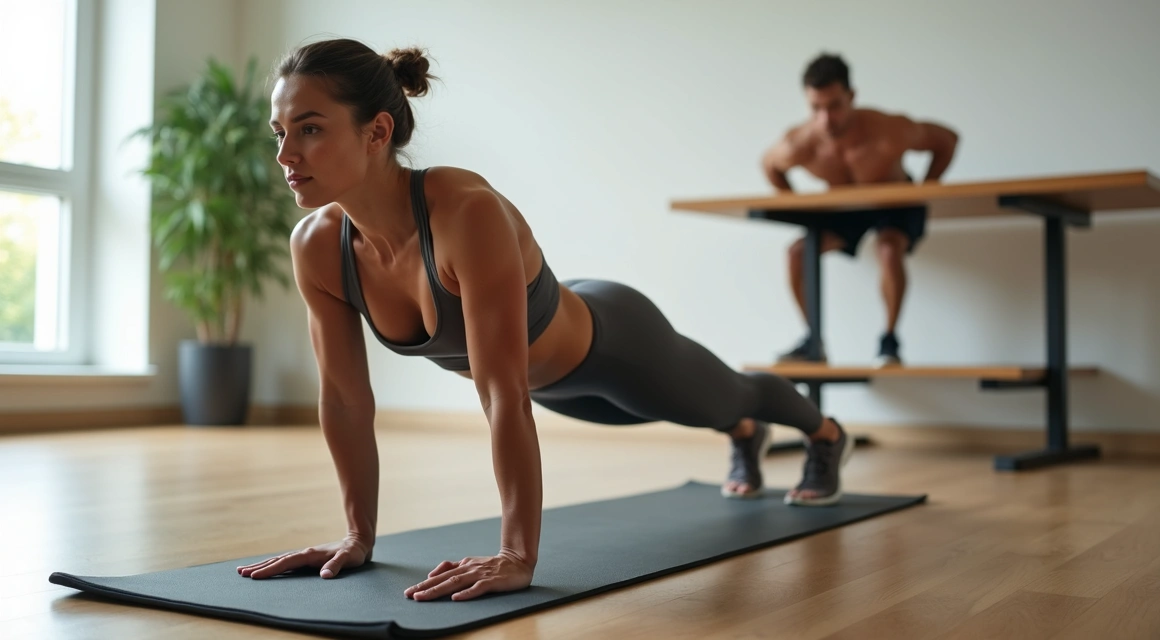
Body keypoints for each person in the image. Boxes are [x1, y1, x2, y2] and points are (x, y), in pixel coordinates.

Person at [233, 38, 853, 603]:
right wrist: (357, 536)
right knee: (697, 411)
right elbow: (344, 398)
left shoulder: (463, 212)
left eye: (309, 128)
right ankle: (743, 433)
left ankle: (824, 436)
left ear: (377, 131)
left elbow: (500, 391)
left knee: (727, 394)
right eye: (279, 132)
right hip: (549, 385)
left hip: (613, 344)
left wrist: (516, 555)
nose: (286, 154)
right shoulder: (317, 244)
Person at [762, 53, 960, 366]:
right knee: (797, 254)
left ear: (851, 97)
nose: (826, 119)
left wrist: (925, 188)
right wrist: (796, 205)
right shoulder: (799, 143)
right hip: (844, 206)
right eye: (816, 108)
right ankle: (813, 341)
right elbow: (769, 165)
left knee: (888, 250)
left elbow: (947, 140)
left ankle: (889, 342)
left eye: (835, 106)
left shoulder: (889, 130)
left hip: (894, 202)